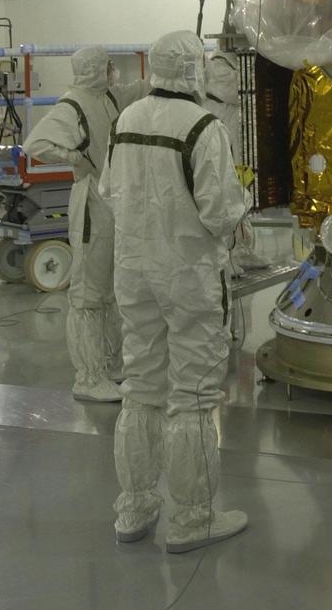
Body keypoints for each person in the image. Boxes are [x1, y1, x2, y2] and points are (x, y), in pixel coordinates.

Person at [99, 30, 248, 552]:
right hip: (188, 278)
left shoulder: (126, 120)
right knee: (192, 395)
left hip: (133, 272)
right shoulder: (204, 127)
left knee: (140, 387)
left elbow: (110, 192)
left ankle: (135, 507)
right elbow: (221, 213)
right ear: (195, 71)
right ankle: (192, 517)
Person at [23, 46, 147, 403]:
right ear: (94, 68)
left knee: (110, 288)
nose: (113, 71)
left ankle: (109, 364)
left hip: (112, 201)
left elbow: (137, 91)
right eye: (108, 66)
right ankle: (88, 376)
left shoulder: (106, 95)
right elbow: (36, 144)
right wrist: (76, 156)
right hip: (91, 202)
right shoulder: (73, 104)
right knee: (88, 293)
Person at [202, 48, 267, 272]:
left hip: (238, 146)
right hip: (226, 146)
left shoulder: (236, 64)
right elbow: (241, 90)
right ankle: (231, 254)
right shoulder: (220, 66)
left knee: (241, 196)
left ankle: (244, 249)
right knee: (229, 197)